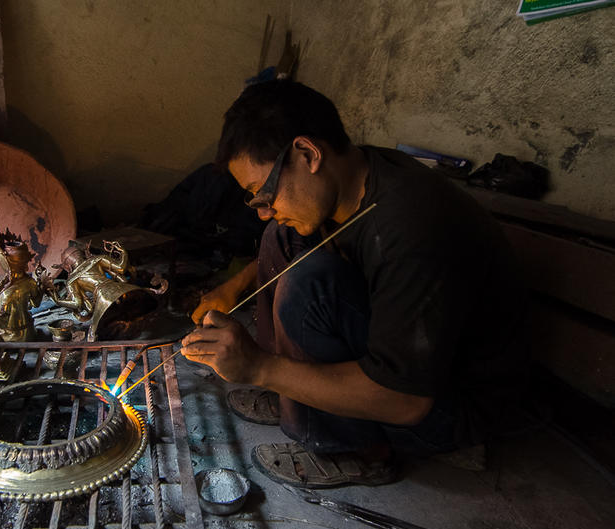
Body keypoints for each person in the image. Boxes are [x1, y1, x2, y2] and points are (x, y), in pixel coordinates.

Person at [181, 81, 526, 488]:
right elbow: (288, 233)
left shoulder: (411, 227)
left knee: (308, 286)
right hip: (414, 356)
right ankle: (296, 395)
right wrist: (235, 285)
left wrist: (259, 368)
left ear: (307, 154)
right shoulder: (358, 174)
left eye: (263, 194)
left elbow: (407, 400)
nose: (262, 210)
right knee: (282, 235)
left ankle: (357, 452)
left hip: (447, 407)